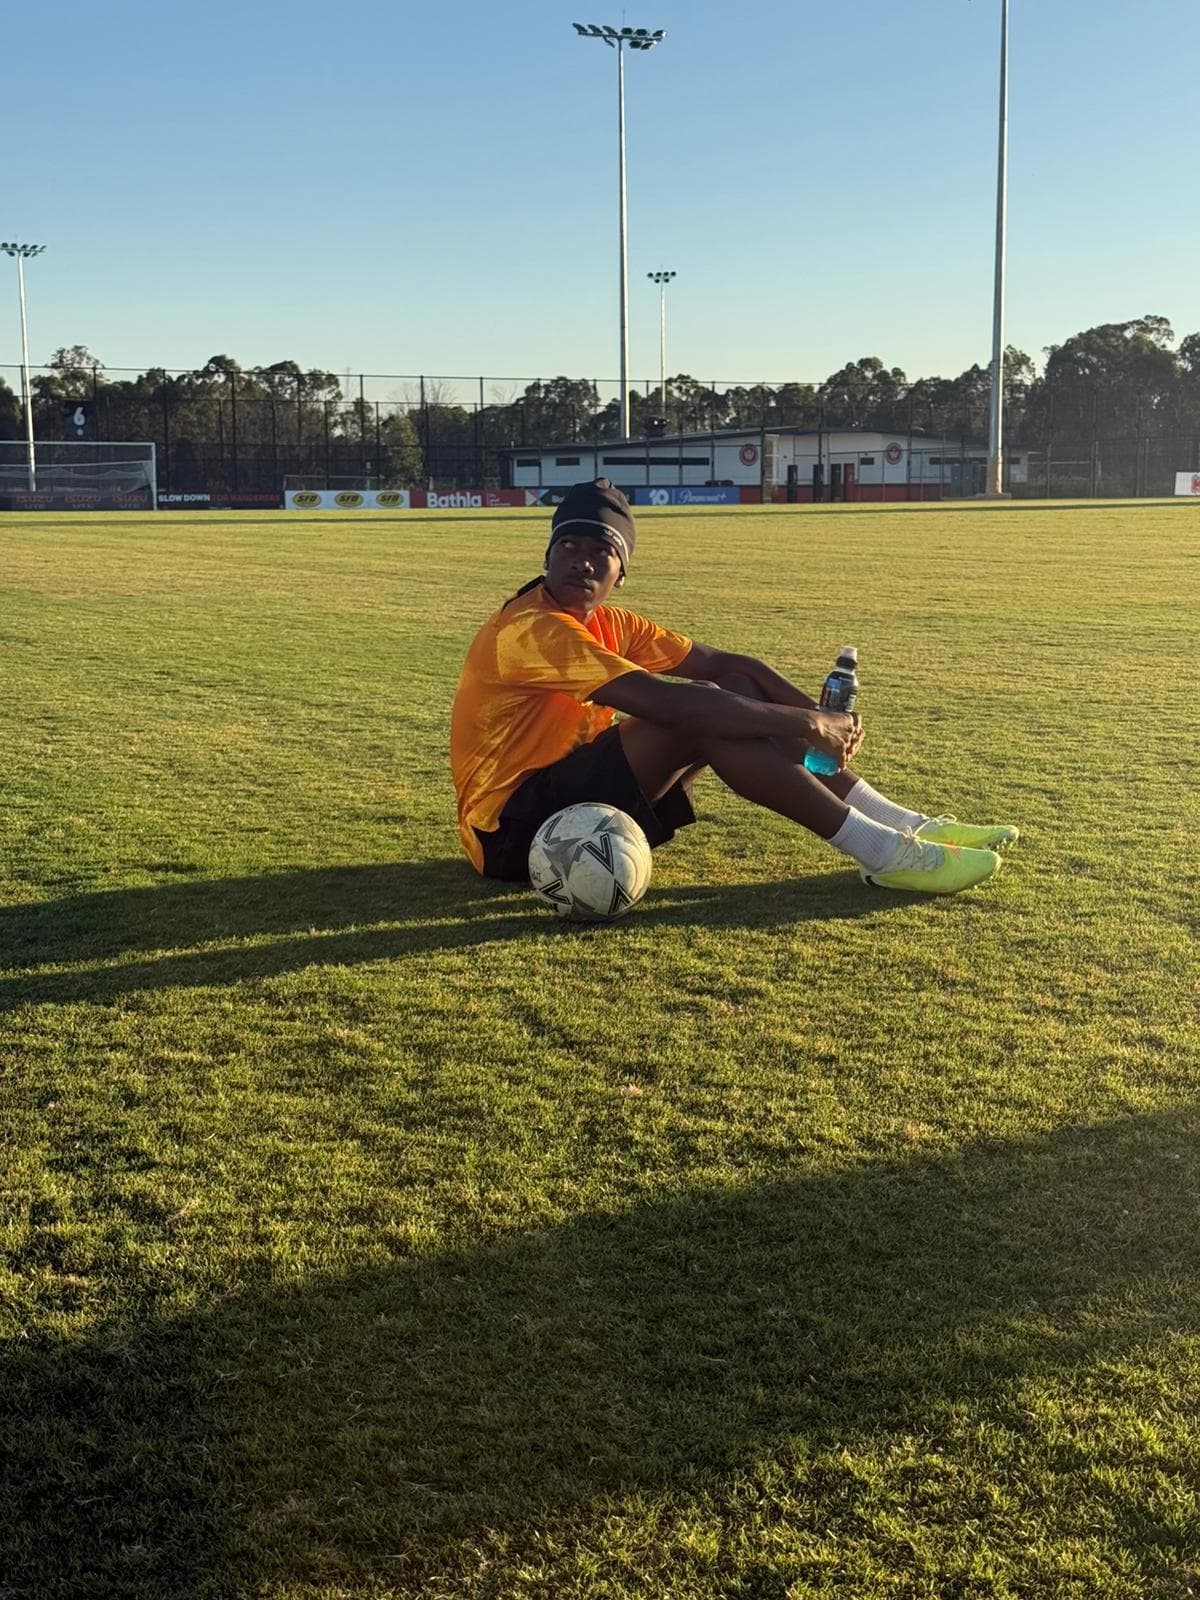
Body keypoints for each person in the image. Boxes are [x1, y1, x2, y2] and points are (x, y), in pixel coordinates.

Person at [450, 479, 1018, 894]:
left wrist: (825, 724)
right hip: (510, 831)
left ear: (622, 573)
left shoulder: (611, 622)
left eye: (602, 551)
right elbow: (665, 702)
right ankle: (886, 854)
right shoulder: (532, 628)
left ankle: (911, 827)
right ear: (547, 556)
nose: (582, 562)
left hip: (568, 801)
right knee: (706, 717)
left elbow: (727, 664)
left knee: (729, 695)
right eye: (568, 547)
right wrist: (807, 723)